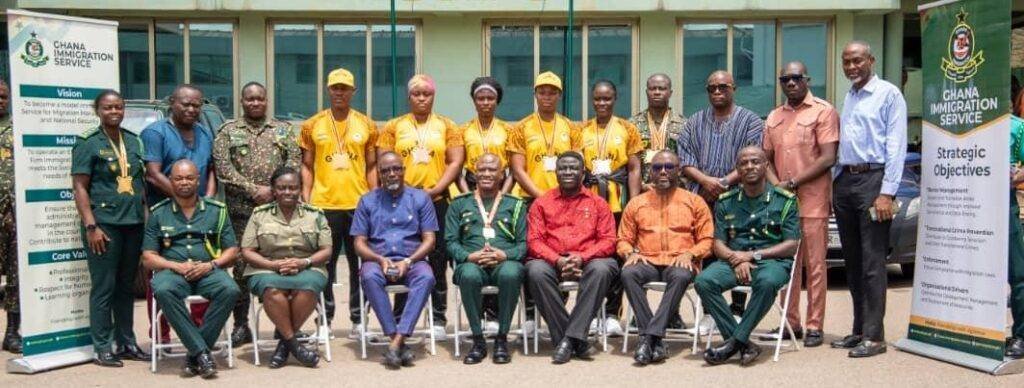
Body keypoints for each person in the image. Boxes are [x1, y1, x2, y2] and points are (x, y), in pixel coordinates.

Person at [831, 41, 906, 358]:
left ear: (871, 60)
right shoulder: (850, 96)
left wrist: (887, 191)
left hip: (874, 182)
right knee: (853, 262)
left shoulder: (888, 94)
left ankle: (875, 337)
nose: (851, 67)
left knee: (874, 263)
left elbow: (896, 145)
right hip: (846, 181)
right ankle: (859, 329)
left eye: (857, 60)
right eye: (846, 62)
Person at [213, 81, 301, 346]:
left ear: (266, 100)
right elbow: (223, 168)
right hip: (241, 213)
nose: (255, 103)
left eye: (259, 99)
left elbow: (293, 162)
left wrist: (274, 192)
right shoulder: (228, 131)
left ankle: (282, 325)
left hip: (278, 212)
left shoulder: (282, 130)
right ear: (242, 101)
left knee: (281, 263)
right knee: (240, 268)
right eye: (250, 99)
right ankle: (241, 325)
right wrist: (253, 190)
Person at [695, 146, 800, 366]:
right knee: (704, 281)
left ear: (766, 166)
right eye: (744, 163)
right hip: (734, 259)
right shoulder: (726, 201)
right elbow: (718, 244)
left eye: (755, 161)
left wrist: (751, 256)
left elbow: (791, 245)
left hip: (771, 261)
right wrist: (737, 258)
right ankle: (743, 343)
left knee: (767, 281)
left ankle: (733, 343)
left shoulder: (785, 200)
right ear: (737, 169)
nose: (750, 166)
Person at [377, 74, 463, 338]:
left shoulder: (447, 126)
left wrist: (436, 189)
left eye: (426, 93)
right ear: (409, 96)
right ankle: (401, 318)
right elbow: (385, 162)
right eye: (416, 94)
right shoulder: (394, 126)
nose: (422, 98)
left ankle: (438, 318)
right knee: (403, 256)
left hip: (436, 201)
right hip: (401, 202)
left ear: (433, 96)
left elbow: (455, 161)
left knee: (437, 261)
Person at [761, 61, 839, 348]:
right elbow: (765, 158)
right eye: (785, 79)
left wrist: (792, 183)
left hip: (813, 201)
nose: (791, 83)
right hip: (784, 204)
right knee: (787, 264)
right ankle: (789, 322)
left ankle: (814, 324)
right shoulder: (773, 116)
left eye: (796, 78)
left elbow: (828, 157)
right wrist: (778, 186)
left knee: (815, 265)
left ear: (806, 79)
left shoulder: (823, 111)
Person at [70, 90, 151, 367]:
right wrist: (90, 225)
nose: (114, 111)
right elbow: (80, 186)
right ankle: (102, 346)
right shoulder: (88, 143)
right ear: (98, 111)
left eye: (118, 107)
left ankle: (126, 341)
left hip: (133, 224)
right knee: (104, 287)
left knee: (126, 287)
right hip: (104, 226)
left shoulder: (133, 140)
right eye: (107, 108)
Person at [142, 160, 241, 378]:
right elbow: (148, 258)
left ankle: (193, 355)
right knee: (163, 289)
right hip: (173, 273)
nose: (184, 182)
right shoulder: (159, 213)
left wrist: (211, 264)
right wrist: (175, 265)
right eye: (178, 178)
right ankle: (202, 353)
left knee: (230, 289)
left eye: (189, 178)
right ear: (170, 181)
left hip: (208, 270)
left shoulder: (217, 211)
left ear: (198, 180)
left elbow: (232, 251)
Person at [677, 70, 764, 318]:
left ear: (733, 88)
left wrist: (723, 183)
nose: (717, 91)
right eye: (712, 88)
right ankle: (709, 313)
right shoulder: (694, 122)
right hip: (702, 199)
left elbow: (753, 159)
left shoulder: (751, 121)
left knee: (738, 248)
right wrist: (706, 181)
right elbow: (684, 159)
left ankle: (737, 309)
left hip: (740, 200)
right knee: (707, 251)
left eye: (722, 87)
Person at [299, 68, 378, 337]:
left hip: (359, 206)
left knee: (362, 265)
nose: (340, 92)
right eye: (335, 88)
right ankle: (324, 322)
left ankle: (359, 321)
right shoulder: (312, 125)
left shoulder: (367, 124)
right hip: (324, 204)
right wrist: (307, 200)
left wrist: (373, 199)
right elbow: (306, 166)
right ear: (328, 90)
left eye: (345, 88)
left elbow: (372, 166)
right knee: (325, 267)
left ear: (353, 91)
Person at [618, 150, 713, 365]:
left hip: (680, 259)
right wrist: (630, 253)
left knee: (681, 275)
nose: (663, 171)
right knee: (629, 273)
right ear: (649, 172)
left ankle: (648, 338)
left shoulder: (694, 202)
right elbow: (623, 239)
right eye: (657, 167)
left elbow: (707, 240)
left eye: (669, 167)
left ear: (678, 171)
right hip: (647, 260)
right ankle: (655, 339)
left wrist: (691, 254)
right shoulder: (637, 203)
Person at [525, 152, 618, 364]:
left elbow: (608, 240)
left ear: (583, 173)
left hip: (588, 260)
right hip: (551, 261)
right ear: (556, 173)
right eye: (563, 168)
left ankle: (566, 340)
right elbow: (534, 241)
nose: (568, 172)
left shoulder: (598, 203)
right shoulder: (541, 203)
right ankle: (576, 340)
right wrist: (557, 260)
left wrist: (582, 258)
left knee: (603, 269)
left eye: (573, 168)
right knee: (535, 271)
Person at [142, 84, 216, 341]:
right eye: (185, 103)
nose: (191, 109)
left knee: (201, 268)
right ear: (172, 103)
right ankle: (161, 336)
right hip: (166, 214)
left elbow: (212, 171)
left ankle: (198, 333)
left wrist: (208, 200)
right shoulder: (155, 132)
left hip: (202, 214)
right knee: (162, 275)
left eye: (196, 104)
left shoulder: (205, 133)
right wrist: (184, 198)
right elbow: (153, 174)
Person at [351, 152, 438, 369]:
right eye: (385, 170)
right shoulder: (367, 200)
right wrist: (379, 259)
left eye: (396, 169)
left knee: (426, 277)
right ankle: (396, 340)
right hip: (378, 260)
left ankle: (395, 343)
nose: (391, 174)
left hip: (412, 260)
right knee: (368, 275)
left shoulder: (420, 198)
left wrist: (408, 261)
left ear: (403, 170)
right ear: (379, 173)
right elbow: (359, 243)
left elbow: (429, 240)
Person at [240, 167, 330, 368]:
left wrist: (304, 263)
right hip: (266, 268)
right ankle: (295, 346)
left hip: (306, 267)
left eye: (292, 188)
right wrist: (273, 265)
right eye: (282, 188)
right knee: (272, 290)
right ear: (273, 190)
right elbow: (247, 251)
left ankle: (284, 345)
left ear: (300, 189)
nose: (287, 192)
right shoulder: (259, 215)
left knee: (308, 288)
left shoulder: (314, 214)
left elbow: (326, 250)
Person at [446, 153, 526, 364]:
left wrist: (505, 255)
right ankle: (478, 340)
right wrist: (468, 256)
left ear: (502, 175)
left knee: (511, 273)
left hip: (504, 262)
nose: (486, 174)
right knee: (469, 276)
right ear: (474, 174)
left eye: (492, 170)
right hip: (472, 262)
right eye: (482, 170)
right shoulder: (458, 204)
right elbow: (450, 241)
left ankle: (501, 339)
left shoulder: (515, 205)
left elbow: (524, 243)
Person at [581, 79, 643, 336]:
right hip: (588, 202)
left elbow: (634, 167)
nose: (602, 103)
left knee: (617, 256)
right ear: (592, 100)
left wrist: (635, 203)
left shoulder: (628, 129)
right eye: (597, 98)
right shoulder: (580, 130)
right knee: (591, 256)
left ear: (615, 99)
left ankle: (613, 313)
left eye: (607, 98)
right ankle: (593, 312)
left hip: (617, 201)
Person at [508, 71, 583, 201]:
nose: (547, 97)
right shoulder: (521, 128)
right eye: (542, 93)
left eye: (552, 93)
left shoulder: (571, 127)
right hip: (531, 198)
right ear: (535, 95)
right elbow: (518, 170)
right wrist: (541, 196)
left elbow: (579, 166)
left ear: (559, 95)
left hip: (565, 198)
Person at [458, 77, 514, 194]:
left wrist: (503, 195)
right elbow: (456, 169)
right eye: (480, 98)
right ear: (474, 101)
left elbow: (515, 170)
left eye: (490, 98)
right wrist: (467, 195)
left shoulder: (509, 130)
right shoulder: (462, 130)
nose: (485, 102)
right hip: (472, 185)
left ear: (497, 100)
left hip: (501, 186)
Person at [629, 73, 686, 185]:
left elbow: (686, 162)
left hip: (675, 189)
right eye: (652, 88)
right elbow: (630, 166)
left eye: (662, 89)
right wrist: (641, 186)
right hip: (644, 190)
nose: (657, 92)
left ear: (670, 93)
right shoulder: (632, 124)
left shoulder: (684, 124)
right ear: (646, 92)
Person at [0, 80, 20, 354]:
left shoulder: (19, 127)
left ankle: (12, 332)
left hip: (13, 216)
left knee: (16, 278)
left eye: (3, 96)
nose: (0, 100)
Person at [1008, 114, 1024, 359]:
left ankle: (1021, 335)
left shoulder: (1016, 127)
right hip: (967, 205)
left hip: (1003, 205)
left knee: (1017, 272)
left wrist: (1017, 177)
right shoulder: (964, 121)